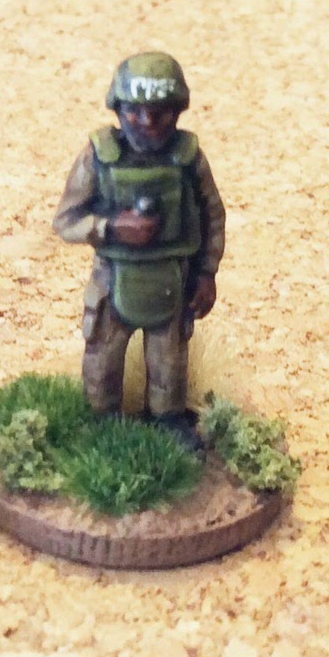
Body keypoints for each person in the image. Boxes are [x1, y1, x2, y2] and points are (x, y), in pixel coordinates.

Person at [52, 52, 225, 449]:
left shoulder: (188, 159)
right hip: (113, 280)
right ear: (118, 110)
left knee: (169, 363)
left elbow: (213, 215)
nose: (148, 122)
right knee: (102, 362)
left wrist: (206, 273)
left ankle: (167, 423)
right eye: (135, 112)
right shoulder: (98, 157)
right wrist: (111, 228)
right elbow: (65, 221)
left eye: (160, 113)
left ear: (177, 111)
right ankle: (101, 428)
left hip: (172, 280)